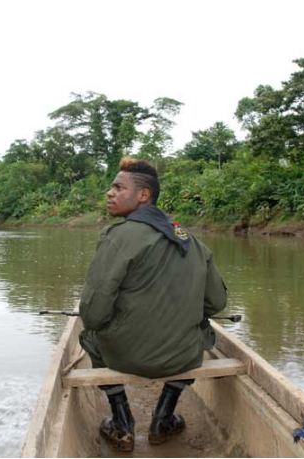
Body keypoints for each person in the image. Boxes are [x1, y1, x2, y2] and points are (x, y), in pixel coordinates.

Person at [78, 157, 228, 452]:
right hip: (182, 356)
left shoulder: (117, 236)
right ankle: (164, 417)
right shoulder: (188, 237)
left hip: (126, 356)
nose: (109, 193)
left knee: (90, 335)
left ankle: (122, 422)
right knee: (204, 333)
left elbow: (93, 314)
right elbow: (216, 302)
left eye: (118, 187)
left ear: (143, 195)